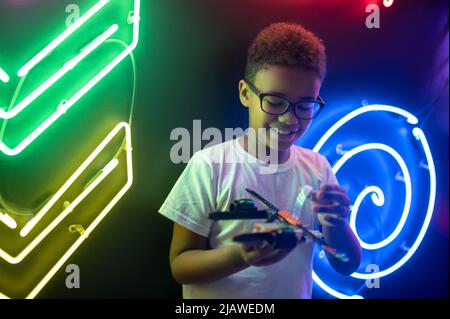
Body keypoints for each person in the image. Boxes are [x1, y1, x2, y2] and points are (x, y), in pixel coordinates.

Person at [159, 22, 361, 299]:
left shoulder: (318, 168)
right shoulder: (210, 165)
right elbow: (180, 265)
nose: (289, 119)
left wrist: (337, 225)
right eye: (275, 101)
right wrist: (241, 255)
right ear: (245, 94)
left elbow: (346, 263)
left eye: (304, 105)